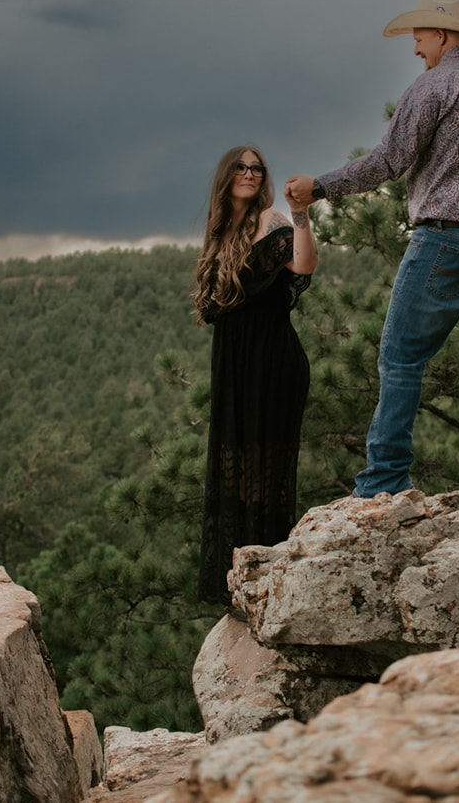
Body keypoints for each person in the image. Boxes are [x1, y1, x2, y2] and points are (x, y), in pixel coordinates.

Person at [284, 0, 459, 500]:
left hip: (446, 240)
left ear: (442, 35)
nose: (415, 50)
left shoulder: (433, 87)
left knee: (401, 359)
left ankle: (383, 481)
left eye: (419, 38)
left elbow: (388, 161)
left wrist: (319, 187)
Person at [193, 145, 319, 604]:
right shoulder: (219, 233)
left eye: (256, 168)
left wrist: (299, 214)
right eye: (241, 167)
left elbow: (304, 264)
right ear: (226, 176)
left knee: (266, 471)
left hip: (271, 360)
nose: (249, 173)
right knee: (235, 471)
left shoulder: (271, 221)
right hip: (233, 366)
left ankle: (272, 584)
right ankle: (239, 584)